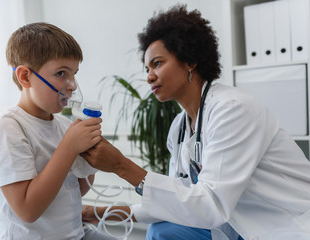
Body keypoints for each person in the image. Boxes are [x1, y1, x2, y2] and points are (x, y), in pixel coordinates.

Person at [81, 5, 310, 240]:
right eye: (147, 68)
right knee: (162, 232)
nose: (149, 76)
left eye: (157, 63)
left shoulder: (232, 110)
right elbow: (178, 202)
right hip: (234, 224)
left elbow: (211, 205)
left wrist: (121, 166)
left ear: (189, 60)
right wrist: (97, 213)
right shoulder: (179, 128)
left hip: (284, 225)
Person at [0, 22, 116, 240]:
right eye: (61, 73)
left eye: (74, 74)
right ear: (25, 77)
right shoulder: (8, 129)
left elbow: (77, 190)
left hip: (76, 233)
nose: (72, 85)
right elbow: (28, 210)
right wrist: (70, 147)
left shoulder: (64, 126)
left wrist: (89, 159)